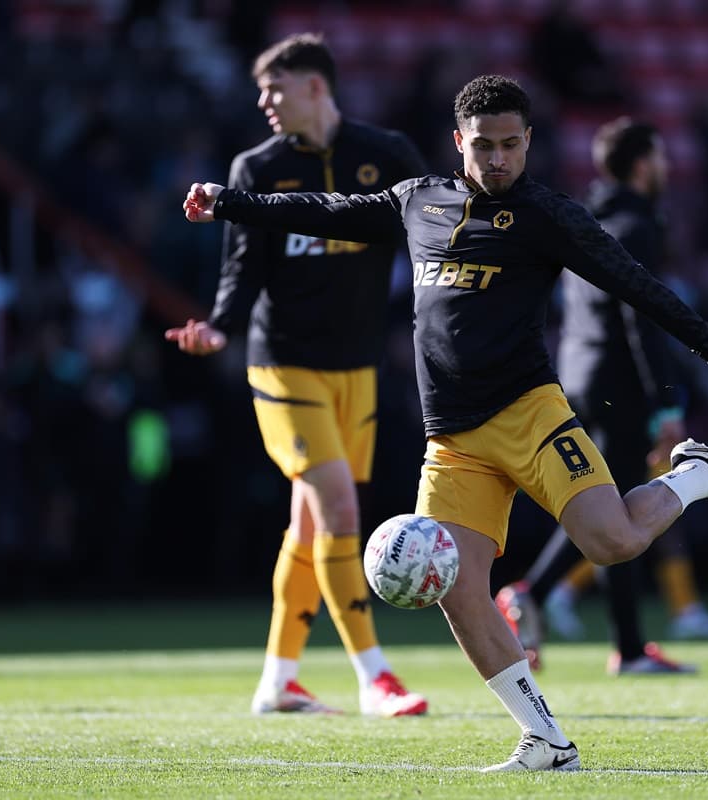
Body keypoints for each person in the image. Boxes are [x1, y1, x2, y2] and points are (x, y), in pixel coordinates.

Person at [181, 74, 708, 772]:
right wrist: (230, 202)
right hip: (453, 439)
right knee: (460, 593)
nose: (497, 159)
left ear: (527, 142)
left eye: (511, 144)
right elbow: (329, 209)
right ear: (458, 141)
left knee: (613, 541)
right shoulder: (417, 199)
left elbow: (637, 285)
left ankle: (698, 475)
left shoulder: (548, 215)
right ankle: (546, 741)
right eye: (484, 145)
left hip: (529, 414)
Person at [164, 33, 429, 718]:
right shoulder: (256, 167)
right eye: (261, 91)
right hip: (282, 364)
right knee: (340, 507)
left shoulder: (387, 155)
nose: (264, 102)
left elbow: (434, 236)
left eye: (275, 89)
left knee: (312, 526)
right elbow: (241, 262)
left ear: (316, 86)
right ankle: (375, 676)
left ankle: (277, 681)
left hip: (357, 368)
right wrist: (220, 325)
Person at [494, 119, 708, 678]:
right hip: (619, 382)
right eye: (659, 158)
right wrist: (668, 404)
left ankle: (626, 645)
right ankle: (534, 593)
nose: (668, 169)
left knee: (610, 505)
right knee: (616, 511)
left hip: (580, 372)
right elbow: (643, 319)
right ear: (640, 165)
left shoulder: (587, 218)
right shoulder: (637, 223)